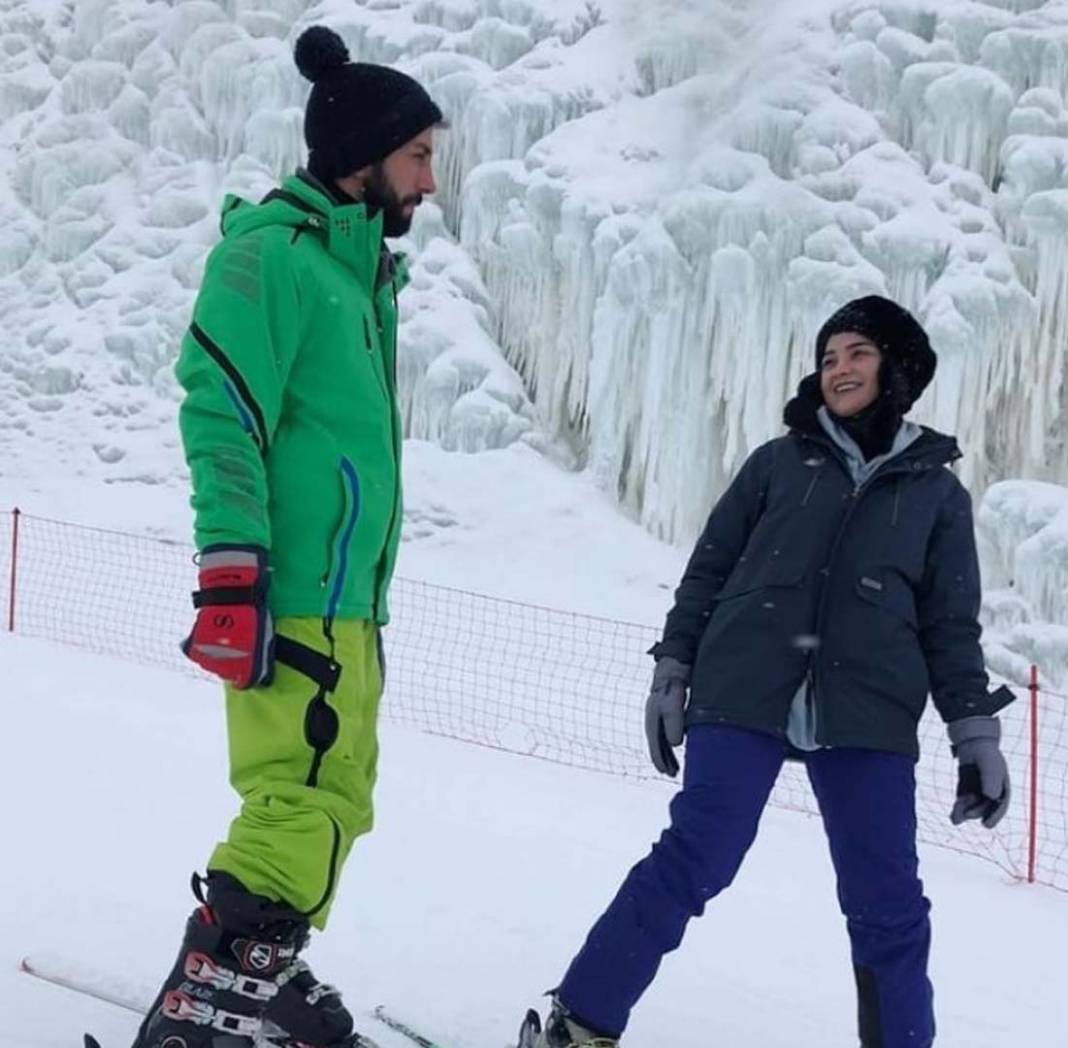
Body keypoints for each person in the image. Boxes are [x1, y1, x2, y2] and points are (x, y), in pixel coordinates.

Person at [519, 295, 1013, 1048]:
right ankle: (579, 1025)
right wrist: (672, 669)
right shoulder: (779, 463)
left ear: (898, 368)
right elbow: (708, 571)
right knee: (696, 857)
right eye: (828, 357)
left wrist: (974, 734)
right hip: (744, 687)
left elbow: (950, 624)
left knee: (888, 905)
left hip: (868, 707)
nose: (838, 369)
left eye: (857, 353)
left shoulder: (936, 493)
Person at [129, 26, 443, 1048]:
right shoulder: (273, 257)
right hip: (292, 592)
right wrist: (232, 578)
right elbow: (220, 406)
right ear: (362, 156)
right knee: (296, 802)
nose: (430, 182)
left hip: (351, 603)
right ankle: (203, 1009)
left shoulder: (358, 280)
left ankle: (264, 971)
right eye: (419, 155)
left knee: (337, 804)